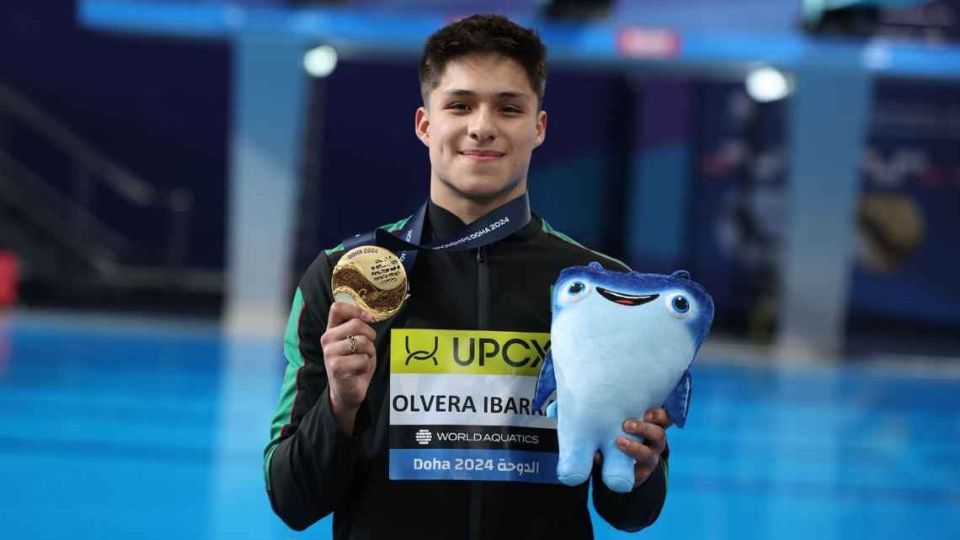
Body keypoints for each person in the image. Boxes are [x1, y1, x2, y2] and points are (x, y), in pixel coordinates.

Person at [264, 14, 672, 539]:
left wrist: (640, 471)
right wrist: (340, 406)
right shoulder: (345, 276)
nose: (482, 125)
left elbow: (631, 513)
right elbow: (290, 500)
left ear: (538, 127)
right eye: (460, 105)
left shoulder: (604, 290)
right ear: (425, 124)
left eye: (508, 107)